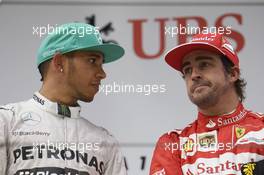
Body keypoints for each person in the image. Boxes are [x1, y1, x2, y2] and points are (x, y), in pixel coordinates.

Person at [0, 22, 127, 175]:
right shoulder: (6, 122)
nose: (102, 74)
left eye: (101, 64)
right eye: (92, 61)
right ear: (59, 62)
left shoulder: (105, 142)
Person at [149, 33, 264, 175]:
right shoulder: (173, 144)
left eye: (204, 64)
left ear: (232, 74)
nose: (194, 75)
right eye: (187, 70)